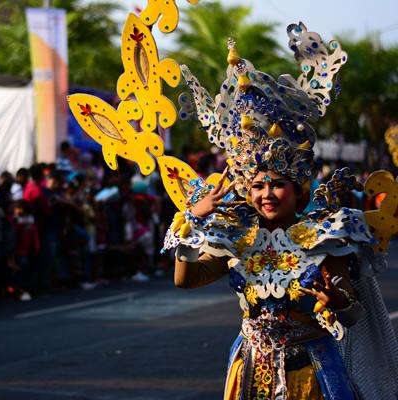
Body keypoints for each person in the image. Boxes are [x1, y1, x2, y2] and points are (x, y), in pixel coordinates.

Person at [161, 26, 398, 399]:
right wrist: (194, 221)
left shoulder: (325, 233)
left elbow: (352, 314)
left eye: (276, 185)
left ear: (297, 187)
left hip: (311, 373)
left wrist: (337, 302)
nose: (266, 194)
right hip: (251, 369)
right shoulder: (236, 233)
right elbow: (185, 279)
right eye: (257, 186)